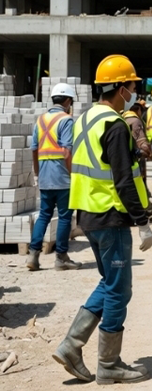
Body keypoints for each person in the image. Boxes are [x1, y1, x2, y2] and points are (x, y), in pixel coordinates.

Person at [52, 54, 152, 385]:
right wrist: (142, 220)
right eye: (133, 86)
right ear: (122, 88)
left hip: (88, 215)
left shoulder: (84, 120)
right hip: (111, 217)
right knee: (119, 290)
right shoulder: (114, 124)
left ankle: (72, 344)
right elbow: (123, 179)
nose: (134, 91)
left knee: (110, 283)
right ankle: (108, 363)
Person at [27, 83, 80, 271]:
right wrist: (72, 175)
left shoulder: (40, 120)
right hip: (62, 177)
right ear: (68, 101)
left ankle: (33, 256)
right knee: (65, 217)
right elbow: (66, 152)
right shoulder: (66, 120)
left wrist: (37, 173)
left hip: (45, 176)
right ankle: (61, 258)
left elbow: (34, 149)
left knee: (44, 215)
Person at [123, 101, 152, 222]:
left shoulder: (122, 118)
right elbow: (141, 141)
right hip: (137, 158)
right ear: (138, 110)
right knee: (141, 185)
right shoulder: (136, 121)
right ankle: (147, 212)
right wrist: (148, 152)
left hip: (126, 157)